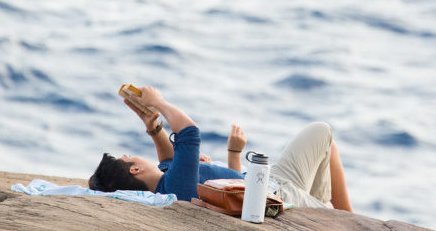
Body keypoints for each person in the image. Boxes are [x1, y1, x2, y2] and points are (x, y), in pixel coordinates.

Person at [89, 86, 353, 212]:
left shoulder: (168, 184)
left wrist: (154, 128)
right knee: (323, 135)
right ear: (135, 169)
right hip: (279, 193)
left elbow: (168, 160)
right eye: (129, 157)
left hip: (269, 182)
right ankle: (343, 218)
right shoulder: (175, 187)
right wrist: (160, 102)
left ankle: (332, 212)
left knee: (322, 134)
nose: (133, 155)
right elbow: (189, 134)